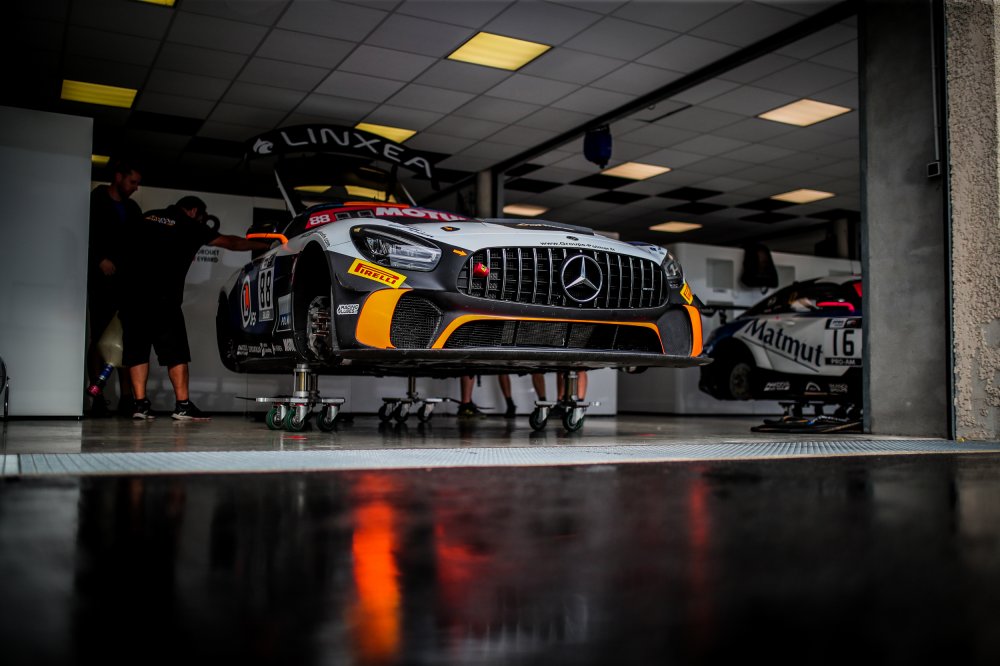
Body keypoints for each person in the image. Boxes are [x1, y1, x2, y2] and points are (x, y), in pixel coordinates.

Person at [119, 195, 270, 421]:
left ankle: (140, 405)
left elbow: (122, 248)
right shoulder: (189, 225)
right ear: (193, 211)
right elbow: (232, 243)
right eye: (201, 217)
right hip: (163, 300)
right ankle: (183, 406)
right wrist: (267, 245)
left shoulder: (148, 217)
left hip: (131, 297)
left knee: (137, 352)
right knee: (175, 354)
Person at [86, 159, 143, 417]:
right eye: (133, 182)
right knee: (100, 339)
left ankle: (127, 398)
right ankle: (96, 395)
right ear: (118, 177)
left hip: (127, 284)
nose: (136, 187)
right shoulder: (96, 200)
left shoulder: (133, 208)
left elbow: (138, 245)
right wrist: (99, 259)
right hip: (101, 283)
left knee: (126, 339)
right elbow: (86, 234)